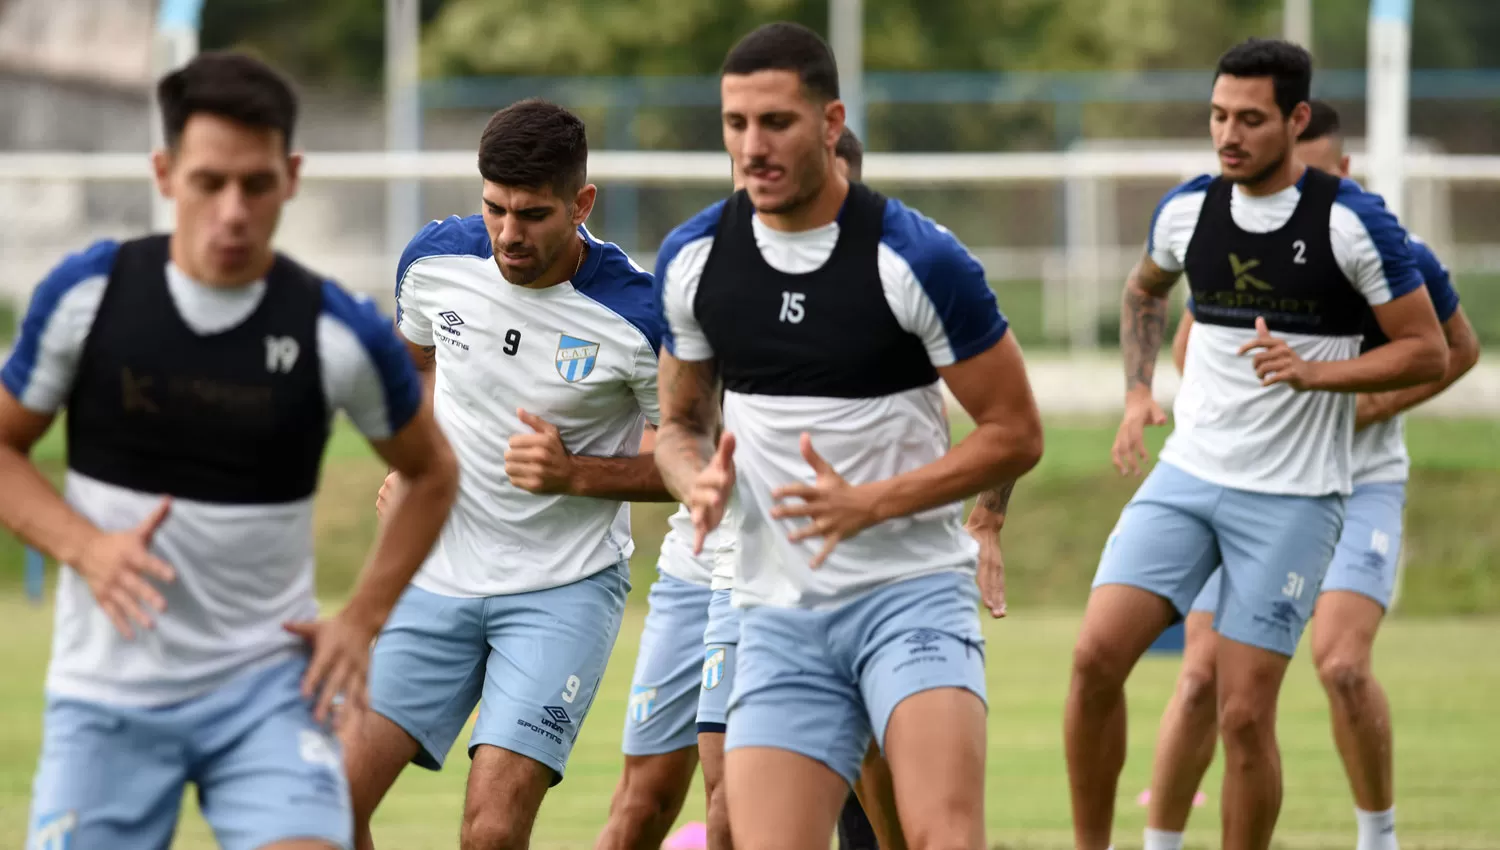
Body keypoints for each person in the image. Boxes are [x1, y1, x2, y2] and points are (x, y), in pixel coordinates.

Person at [0, 52, 458, 850]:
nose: (233, 210)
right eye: (209, 182)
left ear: (292, 176)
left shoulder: (335, 330)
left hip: (268, 693)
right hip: (108, 695)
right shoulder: (88, 297)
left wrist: (361, 620)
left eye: (256, 183)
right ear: (166, 173)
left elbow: (431, 473)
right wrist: (88, 549)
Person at [654, 22, 1043, 850]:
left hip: (911, 598)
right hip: (778, 613)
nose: (752, 146)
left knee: (940, 836)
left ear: (831, 124)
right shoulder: (693, 261)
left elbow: (1015, 433)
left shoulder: (918, 260)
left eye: (776, 123)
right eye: (735, 124)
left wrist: (870, 504)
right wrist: (695, 482)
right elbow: (679, 426)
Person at [1064, 39, 1449, 850]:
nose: (1227, 135)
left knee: (1243, 714)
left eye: (1249, 119)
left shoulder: (1353, 223)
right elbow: (1143, 291)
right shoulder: (1185, 210)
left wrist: (1318, 374)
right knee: (1096, 658)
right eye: (1217, 116)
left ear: (1296, 119)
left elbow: (1430, 350)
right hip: (1187, 479)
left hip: (1294, 502)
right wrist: (1139, 391)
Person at [1142, 100, 1481, 850]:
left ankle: (1377, 836)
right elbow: (1189, 345)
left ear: (1340, 167)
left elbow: (1457, 351)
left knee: (1342, 665)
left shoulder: (1390, 246)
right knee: (1199, 679)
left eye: (1314, 174)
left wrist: (1362, 406)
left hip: (1359, 484)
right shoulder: (1234, 230)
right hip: (1250, 484)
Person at [340, 98, 673, 850]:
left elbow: (692, 464)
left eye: (532, 214)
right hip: (432, 573)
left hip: (562, 588)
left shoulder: (640, 318)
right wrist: (414, 462)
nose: (508, 234)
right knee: (325, 801)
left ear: (582, 204)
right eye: (494, 209)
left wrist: (576, 473)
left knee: (490, 832)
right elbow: (414, 366)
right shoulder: (433, 263)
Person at [595, 125, 873, 850]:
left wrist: (980, 519)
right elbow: (675, 428)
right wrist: (693, 483)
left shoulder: (879, 291)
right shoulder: (707, 278)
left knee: (736, 802)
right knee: (640, 802)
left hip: (779, 572)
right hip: (693, 561)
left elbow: (971, 417)